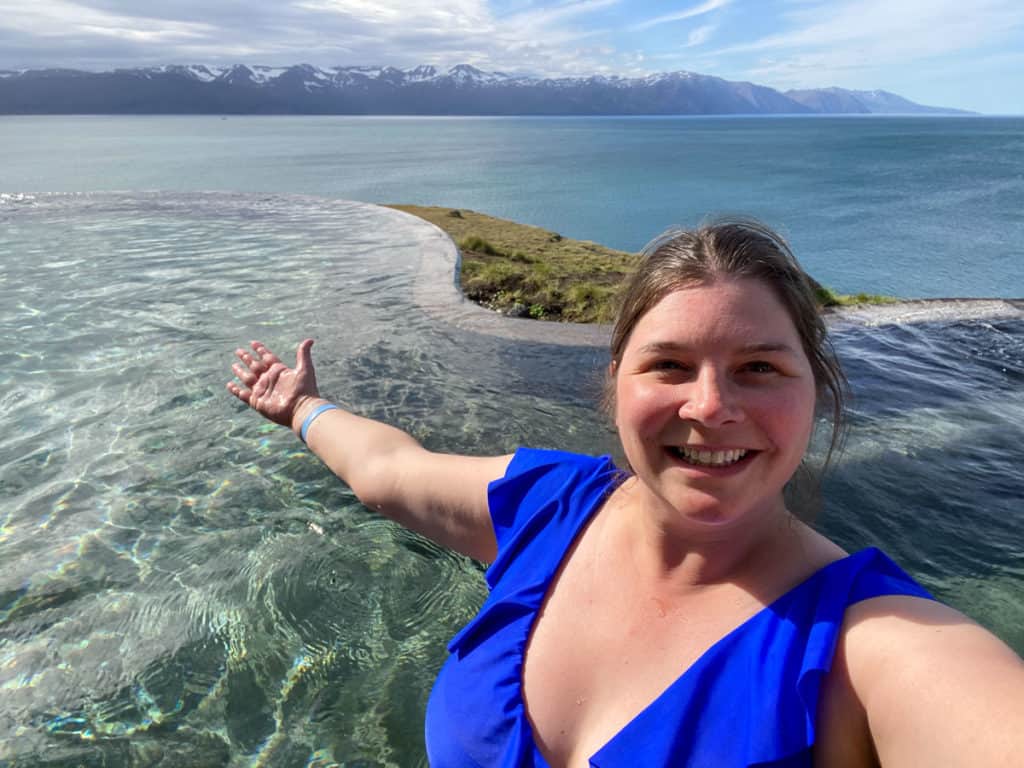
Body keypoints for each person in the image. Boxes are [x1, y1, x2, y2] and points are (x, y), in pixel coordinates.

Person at [227, 220, 1024, 767]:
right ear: (615, 386)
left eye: (759, 367)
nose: (710, 406)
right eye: (669, 364)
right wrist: (300, 407)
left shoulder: (871, 645)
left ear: (816, 390)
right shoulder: (546, 504)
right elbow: (385, 471)